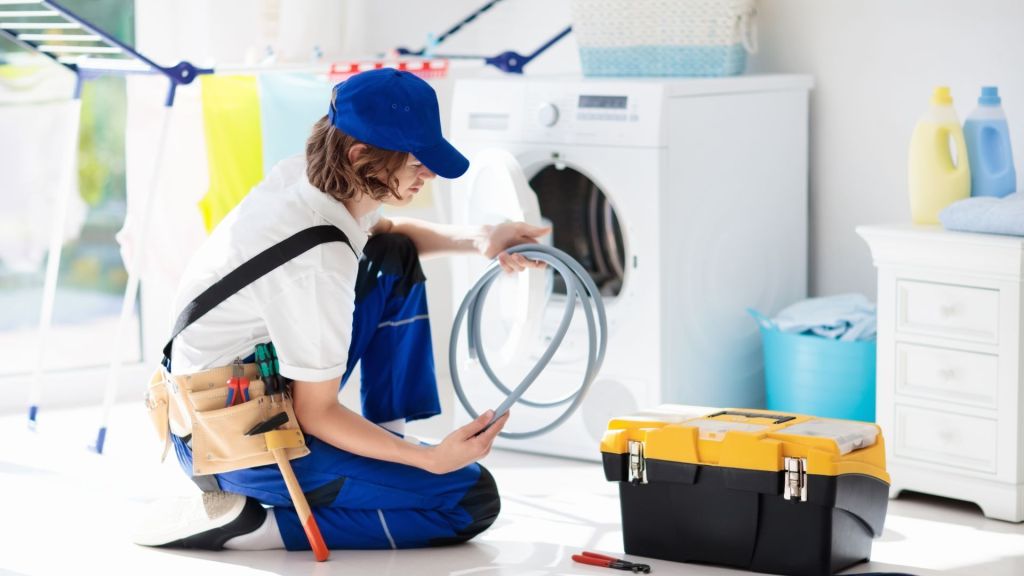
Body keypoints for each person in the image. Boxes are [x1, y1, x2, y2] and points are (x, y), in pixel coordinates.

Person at [134, 68, 548, 552]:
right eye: (416, 162)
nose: (428, 174)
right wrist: (429, 460)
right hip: (228, 442)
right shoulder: (317, 265)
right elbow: (317, 412)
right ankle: (254, 526)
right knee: (469, 499)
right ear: (361, 156)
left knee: (392, 255)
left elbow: (386, 229)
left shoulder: (307, 177)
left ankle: (386, 441)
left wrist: (480, 238)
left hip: (223, 389)